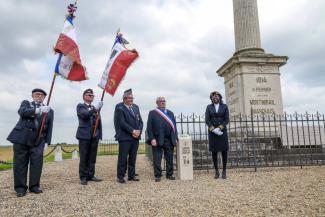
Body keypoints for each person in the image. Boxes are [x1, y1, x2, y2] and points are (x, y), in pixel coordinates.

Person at [7, 88, 54, 197]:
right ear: (32, 96)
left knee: (37, 164)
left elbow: (49, 127)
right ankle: (20, 188)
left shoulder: (50, 110)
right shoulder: (26, 104)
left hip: (39, 140)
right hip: (22, 139)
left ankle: (34, 186)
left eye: (42, 95)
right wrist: (38, 110)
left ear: (44, 97)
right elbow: (22, 112)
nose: (39, 96)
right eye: (37, 94)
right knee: (20, 164)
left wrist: (47, 142)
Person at [114, 89, 143, 183]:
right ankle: (120, 176)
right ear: (124, 98)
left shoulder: (135, 107)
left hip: (135, 137)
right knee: (122, 157)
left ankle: (131, 175)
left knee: (133, 157)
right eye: (130, 98)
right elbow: (122, 123)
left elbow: (140, 121)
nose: (132, 100)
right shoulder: (120, 108)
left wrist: (139, 131)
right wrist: (133, 131)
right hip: (125, 137)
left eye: (132, 98)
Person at [146, 97, 178, 182]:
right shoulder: (152, 113)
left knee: (169, 158)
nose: (163, 102)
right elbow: (149, 127)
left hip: (169, 139)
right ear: (157, 103)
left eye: (164, 101)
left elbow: (174, 127)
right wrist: (152, 138)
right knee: (157, 158)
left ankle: (169, 174)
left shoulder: (170, 113)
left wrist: (175, 138)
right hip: (157, 139)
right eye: (161, 101)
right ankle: (158, 175)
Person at [76, 89, 103, 185]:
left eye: (92, 95)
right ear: (84, 96)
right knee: (84, 157)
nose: (91, 96)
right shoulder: (80, 106)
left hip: (94, 135)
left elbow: (99, 122)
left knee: (92, 157)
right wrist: (95, 108)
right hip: (84, 135)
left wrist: (99, 135)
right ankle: (83, 177)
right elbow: (85, 115)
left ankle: (91, 175)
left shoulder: (94, 108)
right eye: (89, 95)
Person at [205, 91, 229, 179]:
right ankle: (216, 171)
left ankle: (224, 171)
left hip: (222, 132)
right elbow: (207, 120)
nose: (215, 98)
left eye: (217, 96)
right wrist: (213, 129)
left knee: (224, 151)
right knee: (214, 152)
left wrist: (220, 128)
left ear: (220, 98)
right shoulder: (209, 107)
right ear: (211, 98)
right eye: (213, 97)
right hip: (212, 133)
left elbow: (227, 119)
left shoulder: (224, 106)